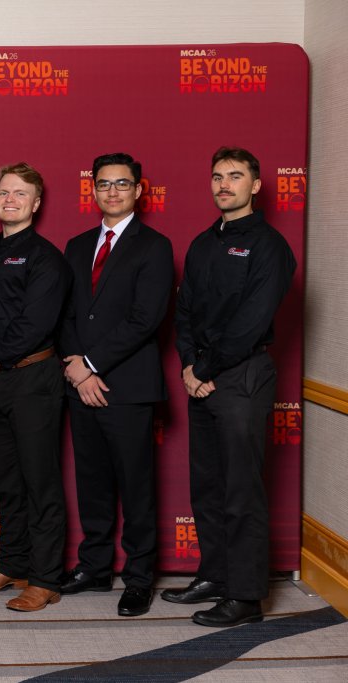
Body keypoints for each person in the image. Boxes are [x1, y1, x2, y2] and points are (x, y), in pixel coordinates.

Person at [165, 147, 296, 627]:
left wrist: (204, 368)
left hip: (242, 374)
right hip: (200, 374)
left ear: (255, 186)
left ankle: (245, 597)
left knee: (241, 489)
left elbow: (250, 323)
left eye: (235, 176)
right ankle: (215, 576)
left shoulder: (270, 246)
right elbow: (184, 313)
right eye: (218, 176)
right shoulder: (203, 243)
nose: (224, 184)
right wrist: (188, 364)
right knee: (208, 486)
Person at [59, 152, 173, 617]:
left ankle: (139, 577)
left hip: (127, 386)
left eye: (122, 184)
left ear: (139, 190)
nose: (112, 191)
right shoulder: (76, 245)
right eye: (103, 184)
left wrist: (90, 365)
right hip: (79, 384)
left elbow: (145, 318)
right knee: (92, 482)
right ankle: (95, 566)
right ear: (93, 190)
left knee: (136, 486)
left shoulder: (155, 246)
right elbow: (66, 313)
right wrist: (76, 367)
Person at [0, 163, 71, 612]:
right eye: (4, 192)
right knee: (7, 482)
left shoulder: (47, 259)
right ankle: (13, 563)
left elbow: (37, 323)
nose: (10, 200)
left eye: (20, 193)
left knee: (40, 481)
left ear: (36, 203)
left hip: (33, 379)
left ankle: (45, 578)